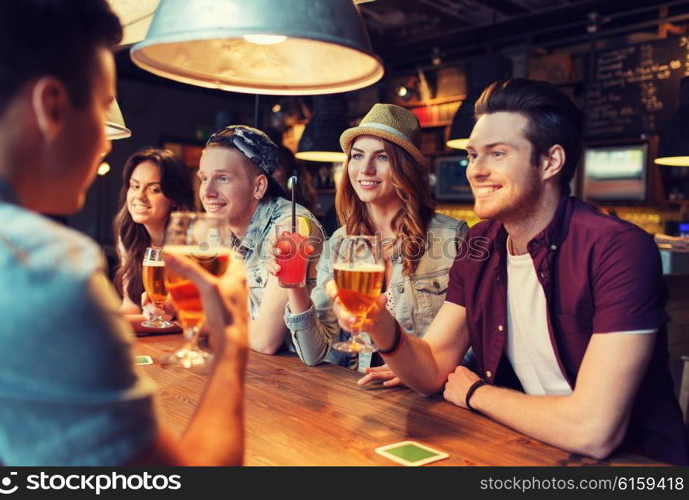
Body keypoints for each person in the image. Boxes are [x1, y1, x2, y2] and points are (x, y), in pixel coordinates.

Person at [340, 79, 689, 464]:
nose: (476, 170)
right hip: (526, 450)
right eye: (473, 155)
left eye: (497, 154)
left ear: (550, 162)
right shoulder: (480, 244)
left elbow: (594, 431)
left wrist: (476, 394)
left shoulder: (616, 248)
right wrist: (379, 323)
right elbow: (432, 370)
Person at [0, 0, 248, 465]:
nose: (108, 141)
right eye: (105, 108)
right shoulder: (41, 268)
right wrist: (232, 342)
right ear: (51, 106)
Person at [278, 103, 468, 371]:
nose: (365, 169)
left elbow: (472, 344)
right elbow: (314, 353)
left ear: (407, 168)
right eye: (357, 156)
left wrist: (413, 369)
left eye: (382, 157)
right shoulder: (339, 243)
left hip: (430, 395)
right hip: (364, 397)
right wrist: (296, 288)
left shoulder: (451, 238)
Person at [199, 125, 324, 354]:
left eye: (222, 178)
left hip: (316, 380)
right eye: (204, 178)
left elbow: (265, 340)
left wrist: (207, 324)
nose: (207, 191)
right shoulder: (220, 230)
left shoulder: (291, 228)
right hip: (262, 371)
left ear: (258, 186)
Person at [113, 148, 194, 325]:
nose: (139, 196)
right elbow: (130, 307)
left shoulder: (194, 241)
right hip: (155, 341)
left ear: (174, 197)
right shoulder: (128, 236)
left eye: (154, 189)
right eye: (135, 186)